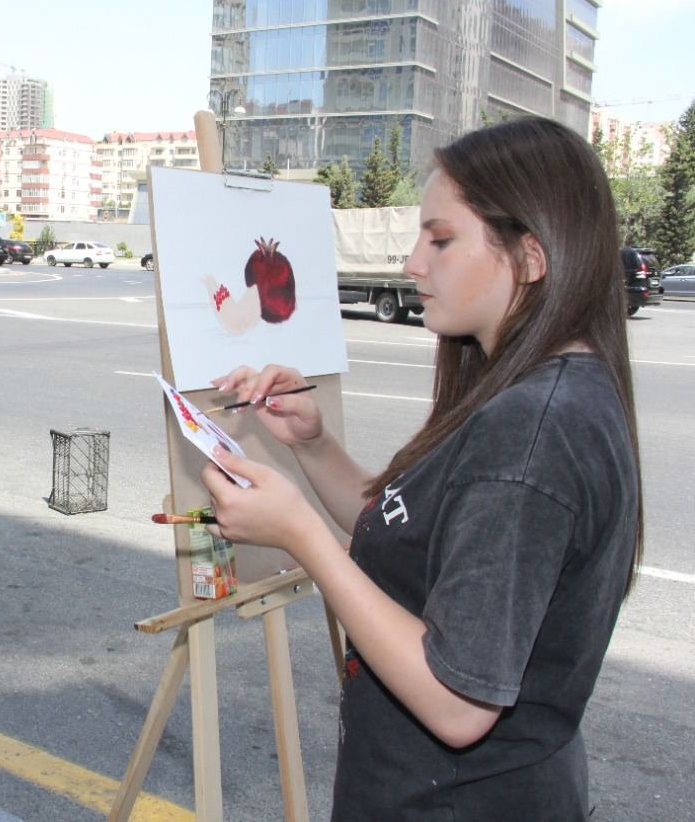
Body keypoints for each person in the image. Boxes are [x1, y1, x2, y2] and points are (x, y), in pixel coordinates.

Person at [200, 117, 641, 819]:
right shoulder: (539, 392)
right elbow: (412, 535)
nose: (411, 262)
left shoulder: (532, 430)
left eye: (440, 239)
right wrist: (313, 445)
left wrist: (304, 539)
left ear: (530, 255)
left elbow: (457, 701)